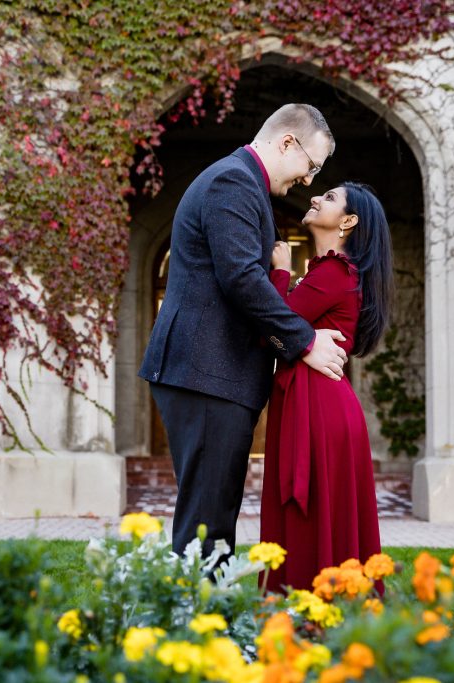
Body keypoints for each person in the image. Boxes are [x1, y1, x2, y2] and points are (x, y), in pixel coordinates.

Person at [139, 104, 349, 561]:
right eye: (311, 166)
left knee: (211, 518)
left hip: (212, 376)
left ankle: (205, 625)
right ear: (286, 142)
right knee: (207, 525)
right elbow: (240, 279)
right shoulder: (232, 181)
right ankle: (198, 628)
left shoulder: (242, 183)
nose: (309, 182)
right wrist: (306, 341)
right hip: (205, 374)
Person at [260, 181, 393, 593]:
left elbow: (274, 322)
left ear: (348, 221)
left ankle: (307, 609)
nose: (316, 197)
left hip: (317, 404)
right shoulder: (329, 272)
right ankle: (324, 611)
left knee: (310, 512)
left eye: (330, 197)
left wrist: (280, 271)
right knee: (321, 514)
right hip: (319, 400)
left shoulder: (335, 272)